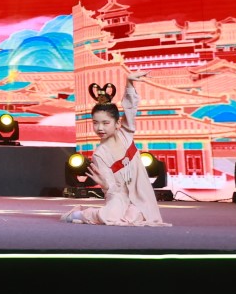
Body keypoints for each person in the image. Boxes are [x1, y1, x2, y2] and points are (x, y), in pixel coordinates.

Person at [63, 77, 169, 227]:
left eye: (105, 123)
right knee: (113, 217)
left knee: (137, 216)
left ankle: (123, 211)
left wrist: (129, 83)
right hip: (119, 196)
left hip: (140, 192)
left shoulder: (126, 133)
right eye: (95, 123)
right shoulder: (100, 154)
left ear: (117, 123)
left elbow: (130, 108)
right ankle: (80, 214)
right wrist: (106, 185)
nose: (100, 128)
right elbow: (113, 189)